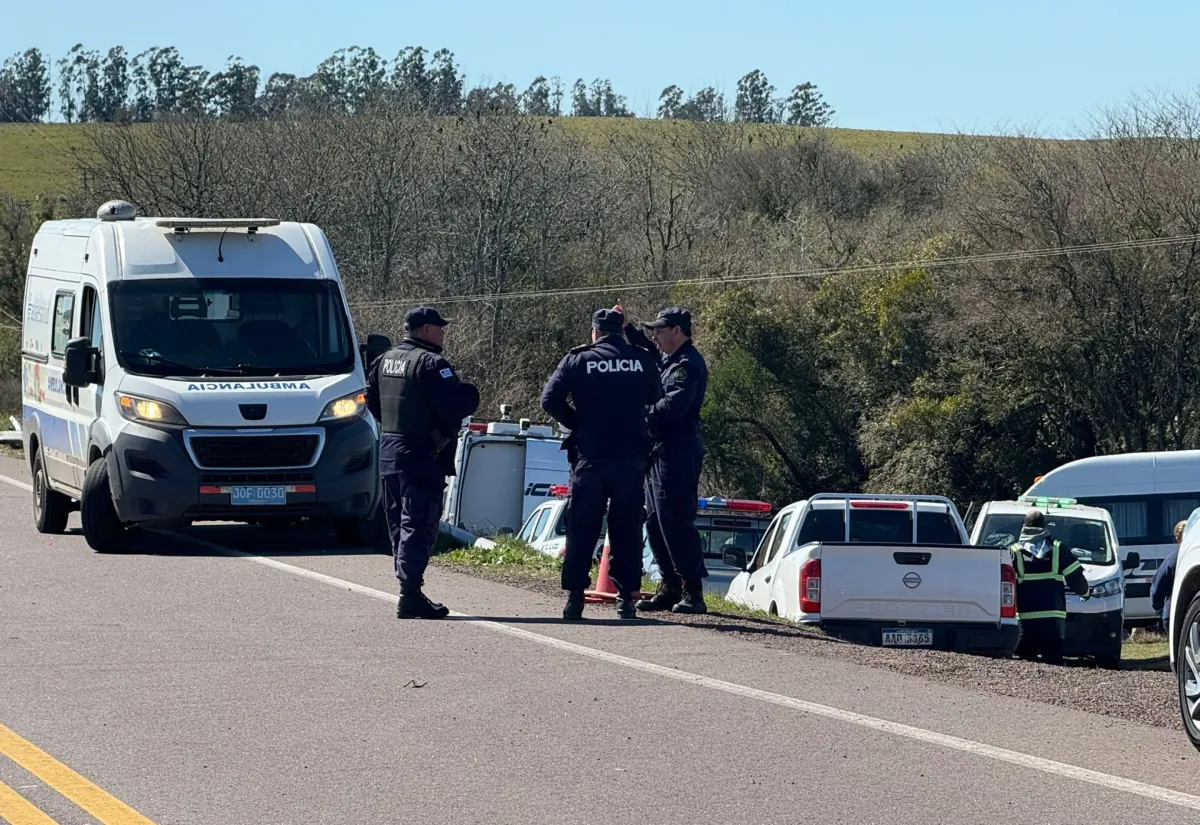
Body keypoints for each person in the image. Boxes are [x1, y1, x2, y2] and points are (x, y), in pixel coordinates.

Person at [540, 308, 662, 621]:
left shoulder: (578, 360)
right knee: (627, 529)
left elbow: (549, 400)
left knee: (582, 528)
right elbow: (656, 398)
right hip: (630, 460)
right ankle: (625, 600)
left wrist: (577, 423)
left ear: (595, 333)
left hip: (589, 459)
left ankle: (574, 599)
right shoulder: (641, 360)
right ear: (621, 331)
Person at [366, 306, 480, 619]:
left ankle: (409, 587)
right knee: (418, 522)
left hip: (390, 451)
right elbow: (453, 406)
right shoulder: (432, 363)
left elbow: (370, 399)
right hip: (421, 455)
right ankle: (410, 593)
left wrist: (392, 429)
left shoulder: (384, 360)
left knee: (398, 524)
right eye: (439, 327)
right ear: (425, 330)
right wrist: (471, 393)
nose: (443, 332)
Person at [624, 306, 711, 615]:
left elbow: (674, 405)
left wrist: (639, 410)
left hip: (678, 452)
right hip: (658, 451)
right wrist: (628, 328)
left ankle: (692, 591)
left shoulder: (688, 365)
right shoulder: (668, 358)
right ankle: (670, 585)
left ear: (678, 331)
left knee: (675, 521)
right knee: (655, 523)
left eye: (660, 330)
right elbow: (647, 348)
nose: (654, 336)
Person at [1010, 509, 1089, 665]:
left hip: (1026, 624)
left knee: (1026, 668)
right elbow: (1077, 580)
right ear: (1045, 526)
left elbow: (1006, 586)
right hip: (1052, 624)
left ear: (1024, 527)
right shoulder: (1058, 549)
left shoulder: (1014, 552)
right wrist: (1085, 593)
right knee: (1054, 666)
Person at [1150, 520, 1185, 634]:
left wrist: (1159, 607)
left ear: (1177, 538)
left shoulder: (1172, 560)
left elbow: (1158, 586)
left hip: (1174, 613)